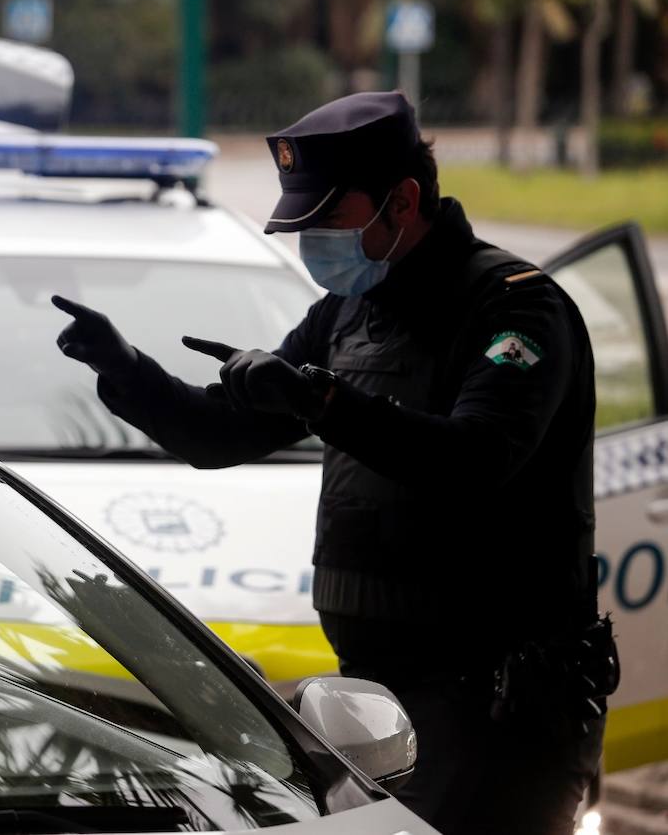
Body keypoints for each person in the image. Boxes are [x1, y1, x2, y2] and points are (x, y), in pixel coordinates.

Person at [52, 91, 617, 835]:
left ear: (402, 200)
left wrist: (322, 401)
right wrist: (129, 371)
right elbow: (220, 435)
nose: (313, 240)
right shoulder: (350, 311)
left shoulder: (514, 309)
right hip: (375, 701)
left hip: (497, 710)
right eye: (302, 225)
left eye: (329, 219)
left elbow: (476, 458)